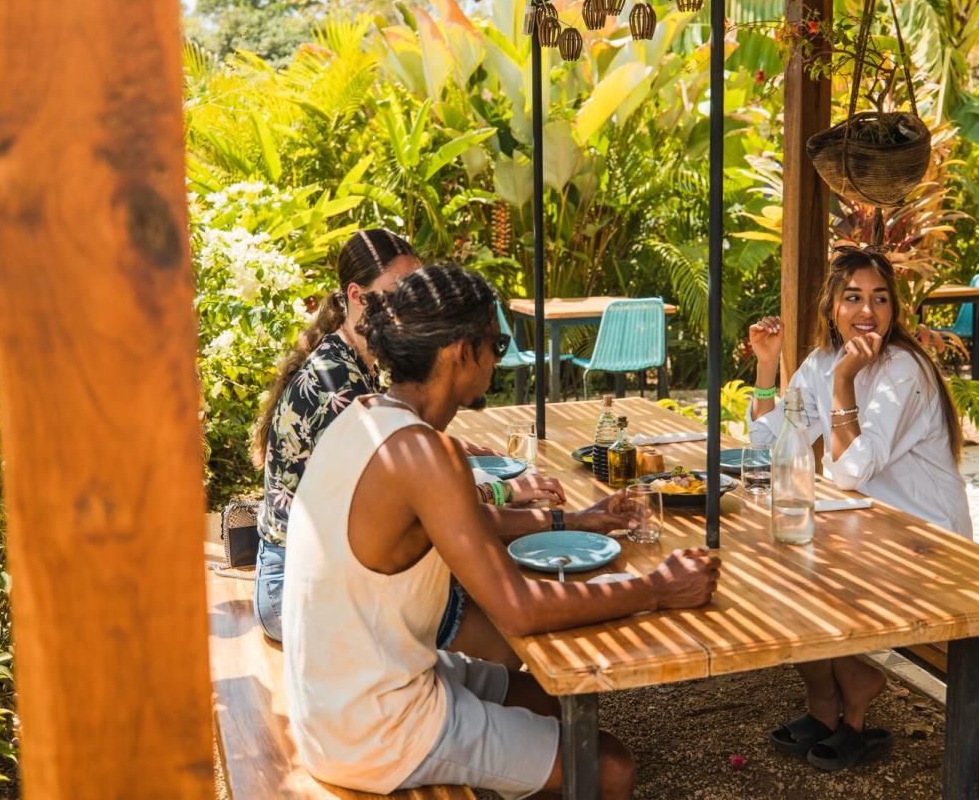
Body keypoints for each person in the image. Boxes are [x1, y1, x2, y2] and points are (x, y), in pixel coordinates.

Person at [282, 265, 720, 799]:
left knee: (550, 699)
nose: (498, 356)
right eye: (497, 342)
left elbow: (469, 523)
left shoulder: (366, 416)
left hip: (339, 696)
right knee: (609, 768)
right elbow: (519, 609)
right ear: (458, 353)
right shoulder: (423, 451)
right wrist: (656, 588)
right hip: (372, 727)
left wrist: (572, 519)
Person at [252, 229, 633, 655]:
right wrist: (511, 493)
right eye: (401, 295)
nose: (415, 307)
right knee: (503, 622)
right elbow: (435, 507)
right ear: (356, 297)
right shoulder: (338, 387)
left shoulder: (357, 372)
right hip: (291, 590)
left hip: (326, 582)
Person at [747, 245, 970, 772]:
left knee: (808, 579)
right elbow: (769, 437)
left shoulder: (903, 371)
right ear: (831, 307)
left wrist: (846, 380)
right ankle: (826, 706)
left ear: (894, 311)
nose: (866, 310)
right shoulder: (823, 360)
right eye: (853, 297)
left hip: (927, 540)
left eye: (879, 298)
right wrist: (766, 363)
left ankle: (853, 700)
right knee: (780, 573)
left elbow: (849, 470)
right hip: (868, 527)